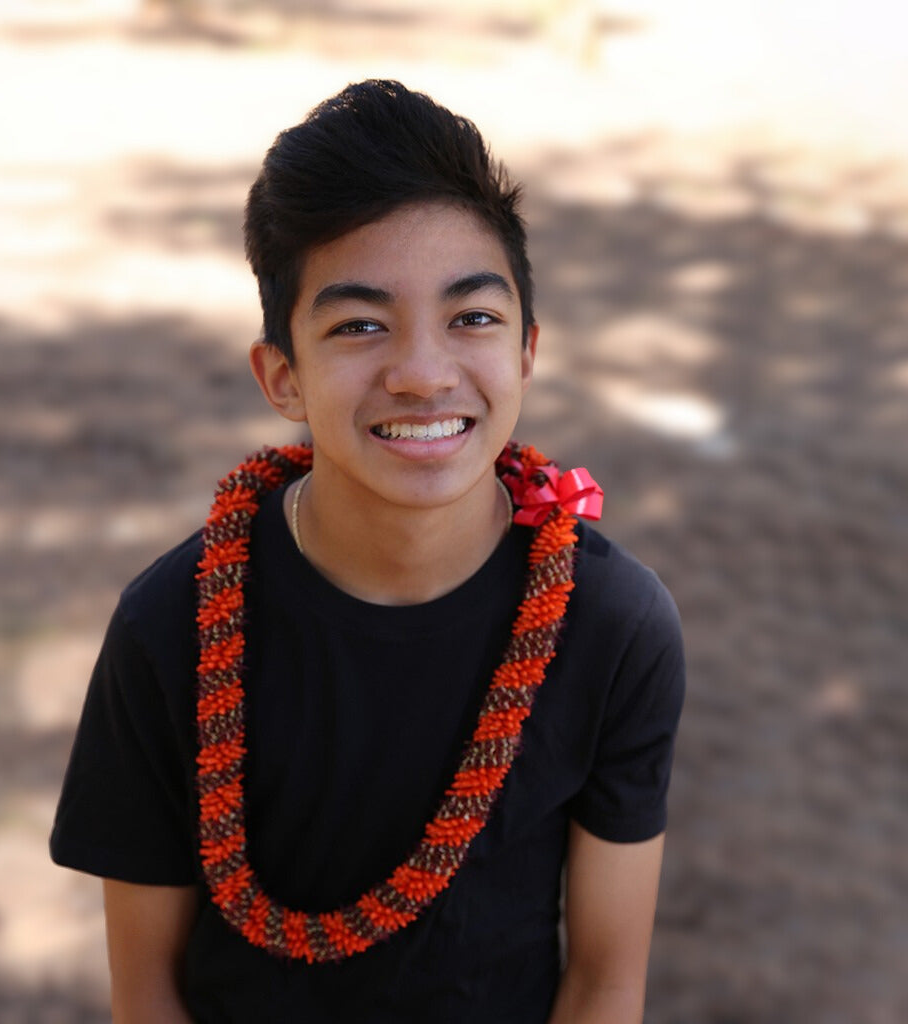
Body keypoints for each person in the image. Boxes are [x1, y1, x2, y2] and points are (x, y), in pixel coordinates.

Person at [50, 79, 685, 1024]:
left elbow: (604, 983)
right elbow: (147, 993)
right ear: (282, 376)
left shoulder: (611, 624)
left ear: (526, 354)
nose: (424, 374)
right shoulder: (173, 623)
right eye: (358, 325)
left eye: (472, 317)